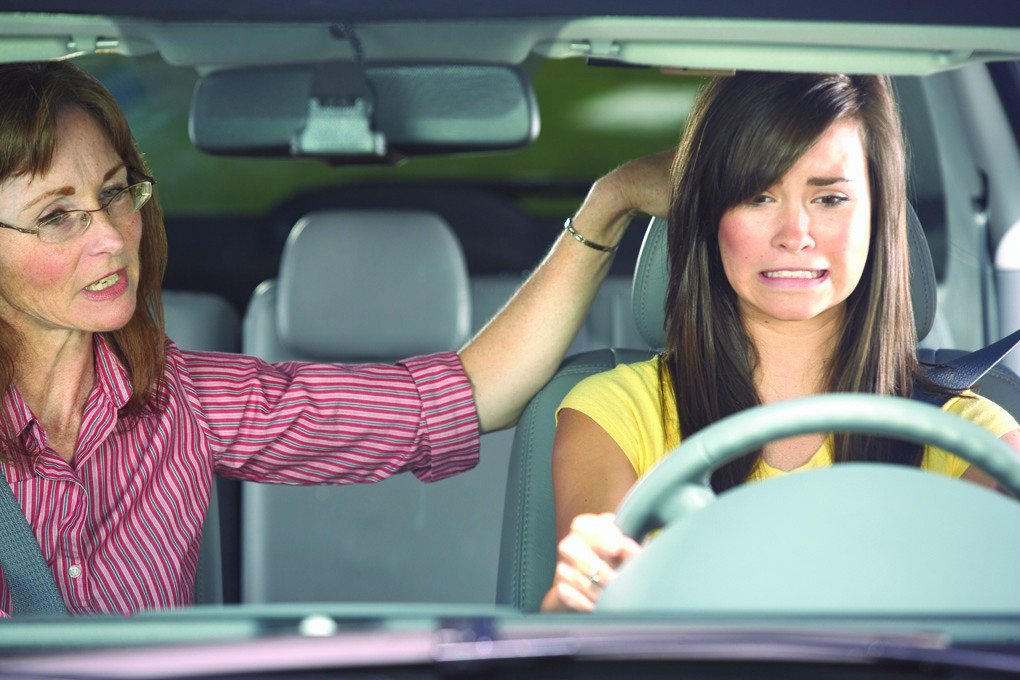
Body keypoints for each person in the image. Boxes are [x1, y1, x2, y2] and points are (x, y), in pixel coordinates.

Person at [0, 60, 667, 617]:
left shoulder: (183, 403)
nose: (112, 238)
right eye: (57, 216)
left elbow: (469, 397)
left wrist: (609, 202)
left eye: (116, 193)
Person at [541, 72, 1020, 613]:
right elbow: (584, 622)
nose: (795, 233)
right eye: (758, 195)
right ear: (710, 216)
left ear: (879, 216)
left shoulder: (973, 438)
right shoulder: (614, 412)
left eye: (831, 198)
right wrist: (578, 591)